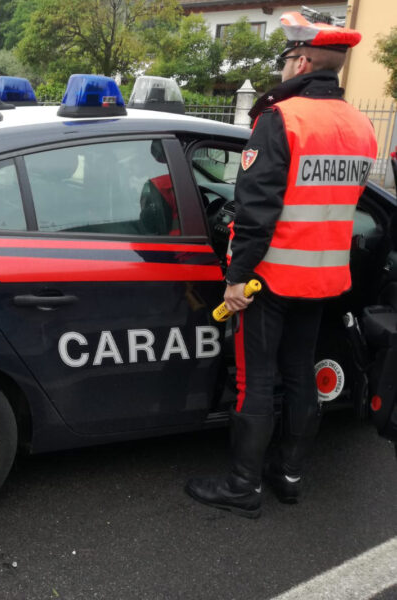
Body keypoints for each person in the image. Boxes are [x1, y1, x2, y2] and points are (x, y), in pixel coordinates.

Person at [185, 11, 377, 518]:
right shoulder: (359, 125)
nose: (286, 66)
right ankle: (288, 476)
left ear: (304, 60)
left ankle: (243, 487)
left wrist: (236, 279)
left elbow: (255, 212)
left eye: (289, 57)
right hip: (325, 278)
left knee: (256, 381)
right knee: (299, 376)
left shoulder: (282, 119)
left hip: (269, 279)